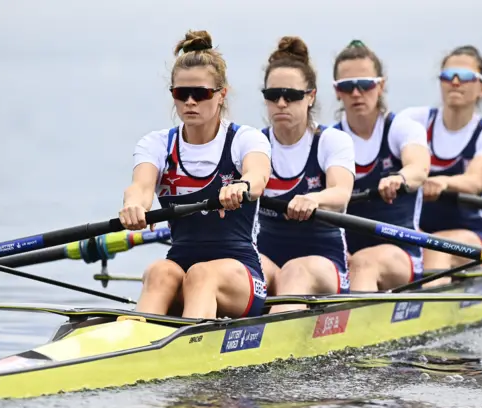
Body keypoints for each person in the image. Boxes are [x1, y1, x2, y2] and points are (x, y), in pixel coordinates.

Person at [119, 30, 272, 319]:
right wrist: (134, 206)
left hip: (242, 277)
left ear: (221, 94)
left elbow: (258, 176)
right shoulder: (156, 144)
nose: (190, 102)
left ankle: (186, 352)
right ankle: (132, 345)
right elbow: (140, 186)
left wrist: (242, 185)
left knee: (202, 275)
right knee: (158, 271)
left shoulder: (245, 139)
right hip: (180, 265)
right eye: (181, 93)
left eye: (200, 94)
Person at [256, 36, 356, 314]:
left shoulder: (332, 141)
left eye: (292, 95)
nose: (281, 103)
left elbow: (340, 194)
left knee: (295, 270)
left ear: (310, 96)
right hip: (269, 257)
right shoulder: (254, 145)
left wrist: (314, 199)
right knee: (237, 267)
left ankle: (267, 344)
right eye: (272, 96)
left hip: (324, 263)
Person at [400, 45, 482, 284]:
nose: (456, 82)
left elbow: (475, 181)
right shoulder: (414, 120)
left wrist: (443, 182)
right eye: (448, 76)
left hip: (467, 236)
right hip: (415, 231)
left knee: (437, 247)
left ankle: (422, 314)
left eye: (466, 77)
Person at [331, 40, 431, 292]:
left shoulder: (401, 129)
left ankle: (350, 327)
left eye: (365, 84)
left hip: (401, 253)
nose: (356, 93)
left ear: (381, 85)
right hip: (344, 254)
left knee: (363, 264)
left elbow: (419, 167)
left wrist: (400, 177)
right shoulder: (329, 141)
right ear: (336, 91)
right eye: (347, 86)